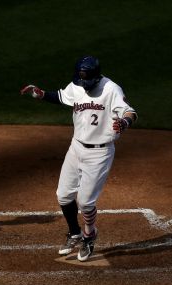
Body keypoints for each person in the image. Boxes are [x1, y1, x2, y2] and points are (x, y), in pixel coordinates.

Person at [20, 56, 137, 261]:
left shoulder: (111, 89)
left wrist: (124, 124)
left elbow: (130, 112)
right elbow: (60, 96)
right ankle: (75, 232)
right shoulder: (77, 85)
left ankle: (89, 235)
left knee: (85, 202)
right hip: (76, 147)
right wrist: (40, 94)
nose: (83, 84)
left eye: (86, 80)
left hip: (99, 153)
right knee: (64, 195)